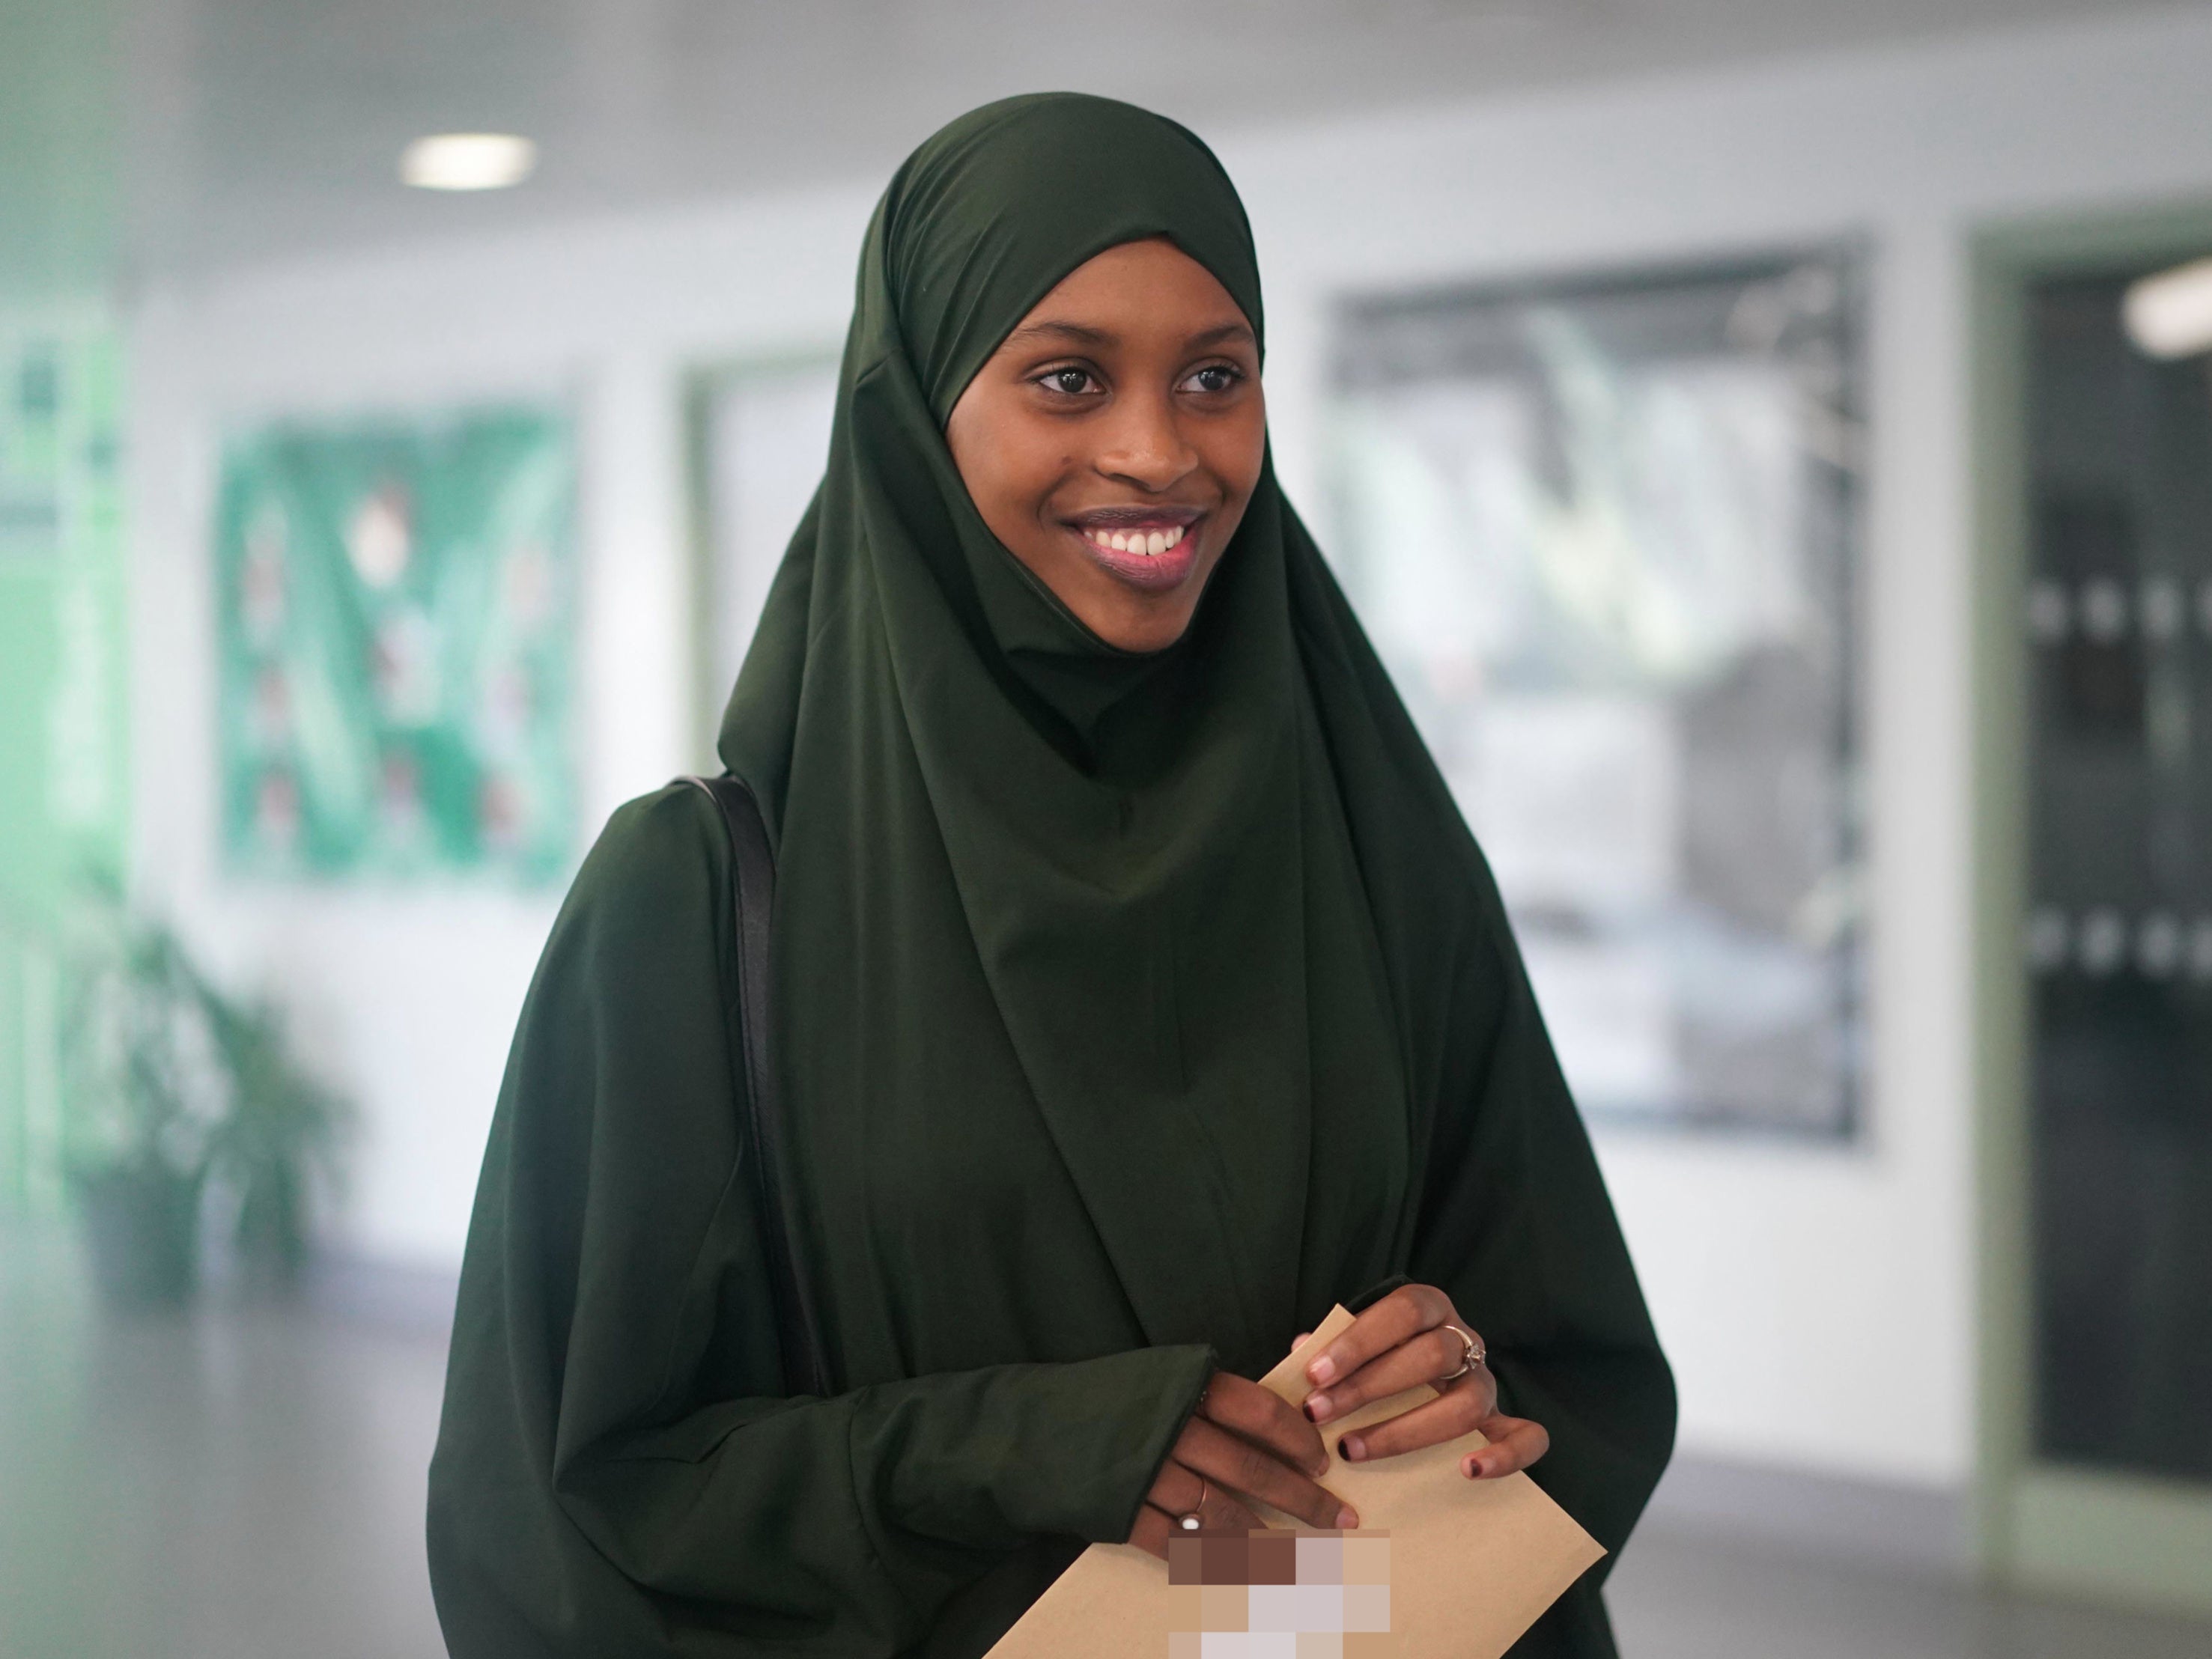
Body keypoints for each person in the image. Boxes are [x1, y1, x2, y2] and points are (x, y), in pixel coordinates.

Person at [426, 91, 1674, 1659]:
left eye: (1215, 377)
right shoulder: (691, 905)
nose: (1158, 453)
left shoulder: (1372, 849)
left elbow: (1570, 1370)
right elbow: (566, 1509)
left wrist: (1468, 1388)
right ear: (919, 408)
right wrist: (1031, 1448)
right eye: (1068, 377)